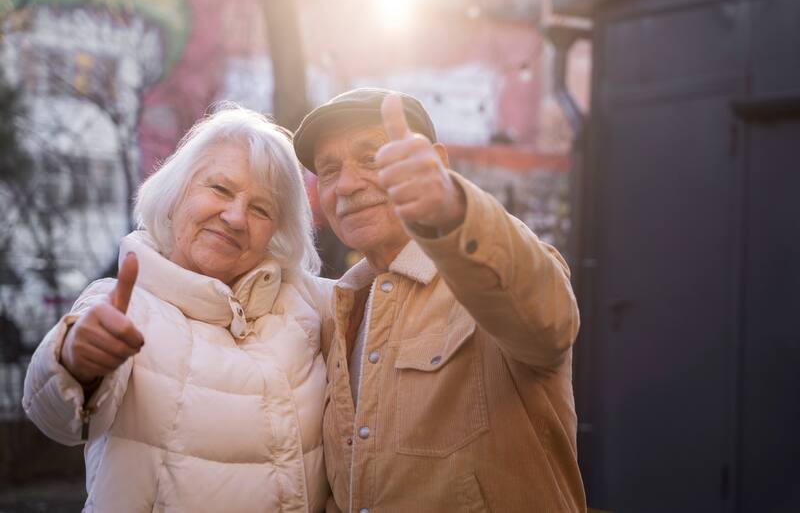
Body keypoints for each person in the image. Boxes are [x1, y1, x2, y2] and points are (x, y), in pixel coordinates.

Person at [23, 105, 332, 512]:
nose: (236, 217)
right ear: (178, 190)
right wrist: (75, 360)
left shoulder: (307, 304)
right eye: (220, 189)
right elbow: (55, 417)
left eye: (261, 209)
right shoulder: (123, 303)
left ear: (278, 230)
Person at [293, 88, 586, 512]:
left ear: (439, 164)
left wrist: (452, 210)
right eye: (330, 169)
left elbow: (549, 320)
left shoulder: (487, 280)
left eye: (372, 158)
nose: (347, 184)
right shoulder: (337, 310)